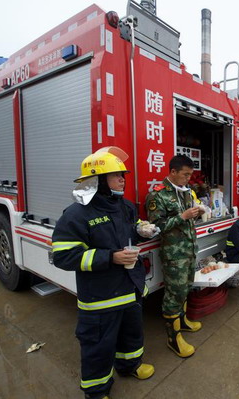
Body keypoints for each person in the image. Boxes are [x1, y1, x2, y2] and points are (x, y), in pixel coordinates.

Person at [52, 147, 155, 399]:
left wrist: (141, 229)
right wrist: (110, 257)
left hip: (130, 290)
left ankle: (129, 365)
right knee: (99, 346)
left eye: (123, 174)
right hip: (101, 298)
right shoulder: (75, 215)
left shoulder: (125, 206)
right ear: (98, 180)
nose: (123, 179)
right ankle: (97, 391)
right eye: (116, 175)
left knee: (132, 334)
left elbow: (129, 230)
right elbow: (63, 256)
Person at [146, 155, 204, 358]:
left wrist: (196, 213)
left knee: (186, 288)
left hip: (189, 250)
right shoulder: (157, 195)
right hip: (174, 255)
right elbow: (157, 227)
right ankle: (174, 338)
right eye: (185, 174)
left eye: (190, 174)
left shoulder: (185, 192)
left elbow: (188, 220)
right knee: (174, 294)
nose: (189, 178)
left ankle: (184, 321)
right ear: (173, 172)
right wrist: (183, 216)